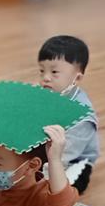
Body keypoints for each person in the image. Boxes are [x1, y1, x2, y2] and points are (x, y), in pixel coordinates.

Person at [38, 35, 99, 193]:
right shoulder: (48, 93)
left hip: (72, 159)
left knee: (65, 188)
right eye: (42, 71)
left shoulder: (82, 116)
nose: (45, 78)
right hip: (48, 146)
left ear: (76, 79)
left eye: (54, 72)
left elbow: (66, 154)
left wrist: (42, 175)